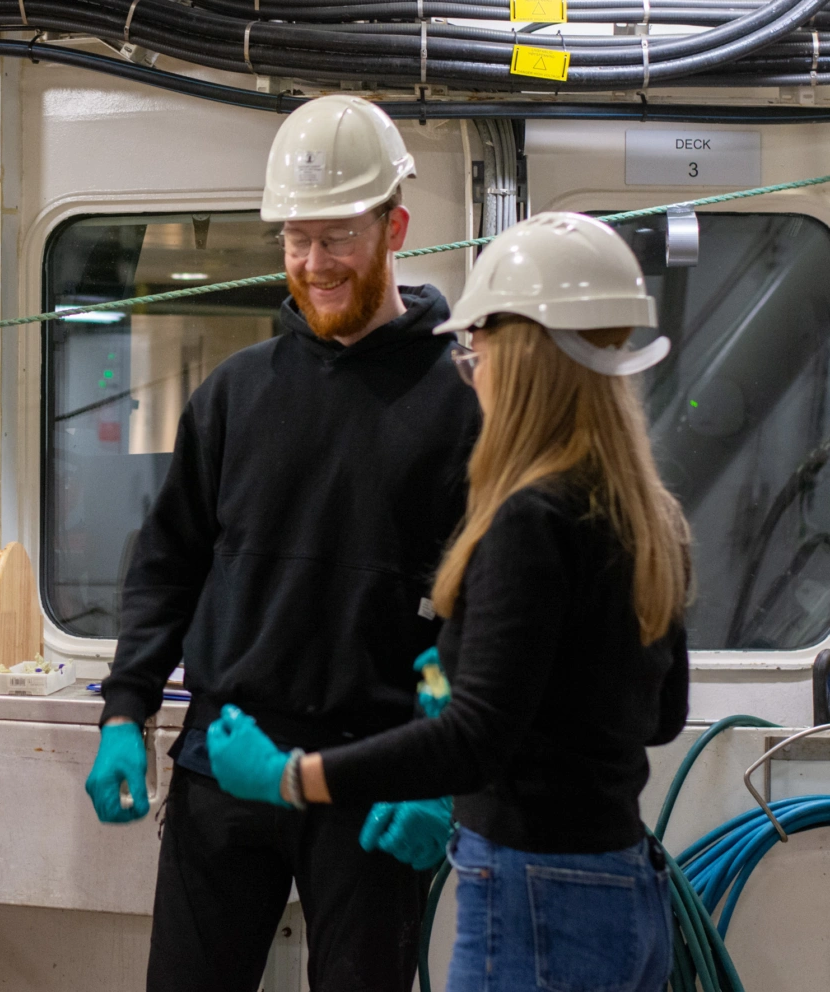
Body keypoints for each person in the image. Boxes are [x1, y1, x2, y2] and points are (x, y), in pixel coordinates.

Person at [207, 212, 691, 992]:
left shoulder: (529, 518)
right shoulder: (647, 515)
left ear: (526, 360)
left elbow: (475, 742)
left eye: (478, 351)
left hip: (535, 894)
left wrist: (295, 776)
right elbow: (660, 713)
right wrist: (477, 670)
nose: (473, 370)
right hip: (624, 887)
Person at [84, 95, 482, 992]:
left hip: (371, 779)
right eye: (296, 239)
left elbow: (471, 613)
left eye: (337, 236)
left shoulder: (460, 399)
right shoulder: (235, 393)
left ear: (394, 226)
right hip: (225, 758)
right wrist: (124, 711)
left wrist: (439, 764)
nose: (313, 263)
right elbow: (168, 565)